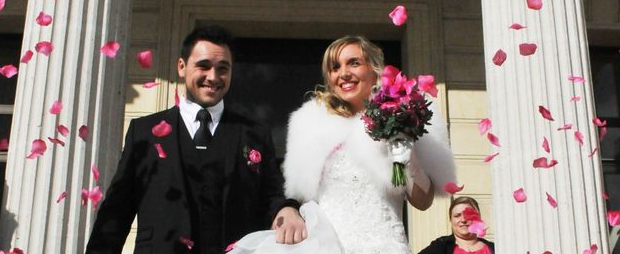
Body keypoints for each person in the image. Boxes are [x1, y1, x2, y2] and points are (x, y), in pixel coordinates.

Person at [86, 25, 306, 254]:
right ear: (182, 67)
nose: (213, 77)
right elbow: (117, 211)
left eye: (223, 69)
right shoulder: (144, 131)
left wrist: (287, 209)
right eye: (203, 66)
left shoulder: (254, 133)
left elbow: (272, 195)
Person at [231, 35, 457, 254]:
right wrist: (290, 213)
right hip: (327, 246)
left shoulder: (399, 118)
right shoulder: (312, 124)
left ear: (374, 68)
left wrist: (411, 162)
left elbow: (423, 202)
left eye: (354, 63)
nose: (344, 74)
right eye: (335, 67)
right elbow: (298, 193)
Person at [418, 196, 495, 254]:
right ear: (451, 220)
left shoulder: (494, 248)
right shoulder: (440, 245)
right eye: (457, 216)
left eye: (468, 215)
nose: (463, 220)